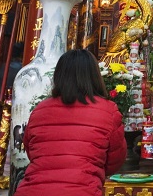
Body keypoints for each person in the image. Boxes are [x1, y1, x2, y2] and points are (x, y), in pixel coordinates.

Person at [15, 49, 126, 196]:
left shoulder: (40, 110)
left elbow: (32, 151)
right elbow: (114, 161)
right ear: (94, 76)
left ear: (59, 76)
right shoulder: (108, 111)